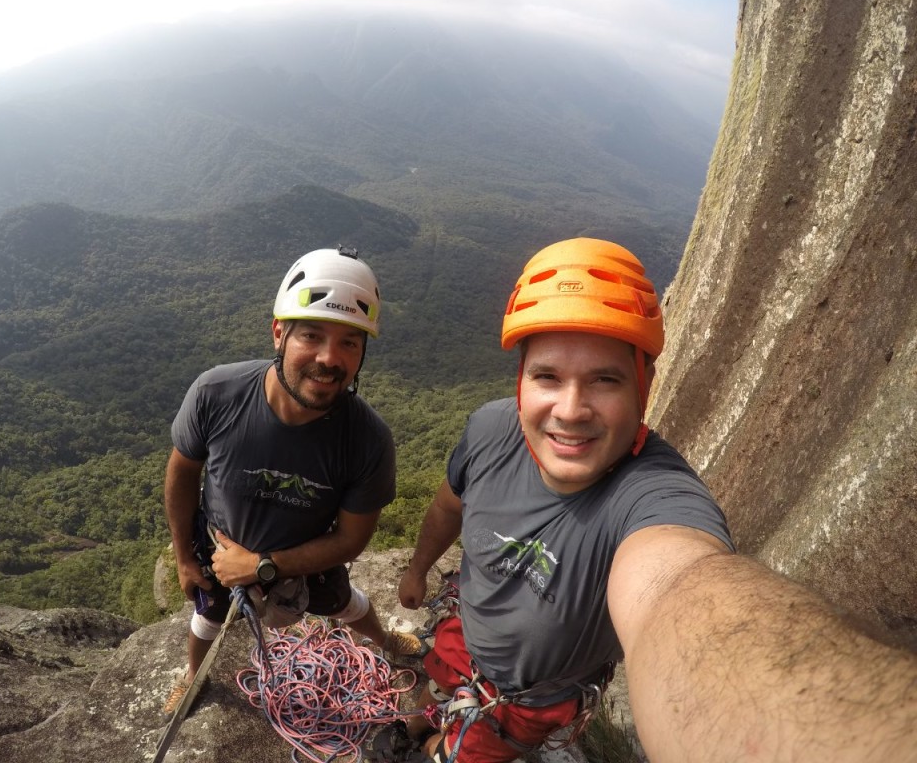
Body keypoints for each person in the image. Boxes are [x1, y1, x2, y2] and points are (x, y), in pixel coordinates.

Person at [381, 238, 917, 763]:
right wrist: (417, 570)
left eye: (605, 380)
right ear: (521, 379)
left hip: (526, 702)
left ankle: (430, 750)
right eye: (548, 376)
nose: (570, 410)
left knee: (462, 753)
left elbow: (678, 587)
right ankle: (414, 727)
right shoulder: (489, 430)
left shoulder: (649, 496)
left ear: (644, 385)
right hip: (462, 636)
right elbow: (450, 505)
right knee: (433, 692)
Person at [163, 246, 422, 714]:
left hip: (305, 560)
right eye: (311, 335)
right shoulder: (216, 395)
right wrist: (185, 559)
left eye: (350, 342)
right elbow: (182, 475)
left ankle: (385, 639)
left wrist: (262, 565)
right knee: (207, 616)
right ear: (279, 333)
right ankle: (192, 678)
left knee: (344, 602)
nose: (329, 358)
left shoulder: (367, 440)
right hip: (221, 554)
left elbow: (350, 540)